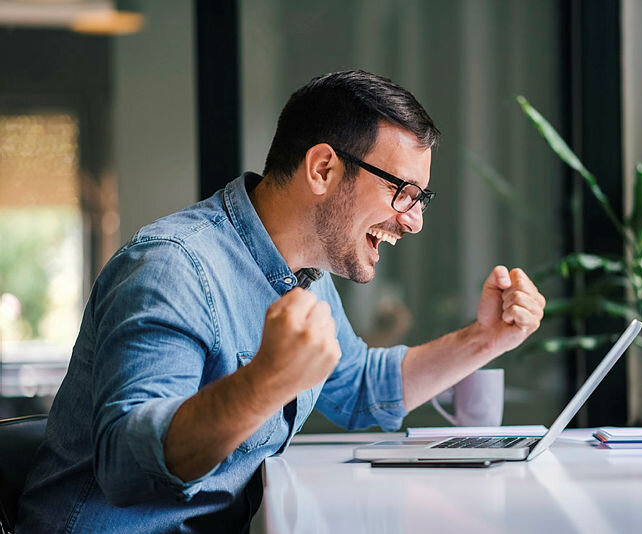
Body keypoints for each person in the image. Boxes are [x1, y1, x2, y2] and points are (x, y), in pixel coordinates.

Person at [17, 70, 545, 533]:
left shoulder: (306, 274)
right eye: (403, 192)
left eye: (420, 199)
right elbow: (126, 466)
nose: (414, 220)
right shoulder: (171, 268)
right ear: (322, 169)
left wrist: (486, 339)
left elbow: (361, 387)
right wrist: (266, 381)